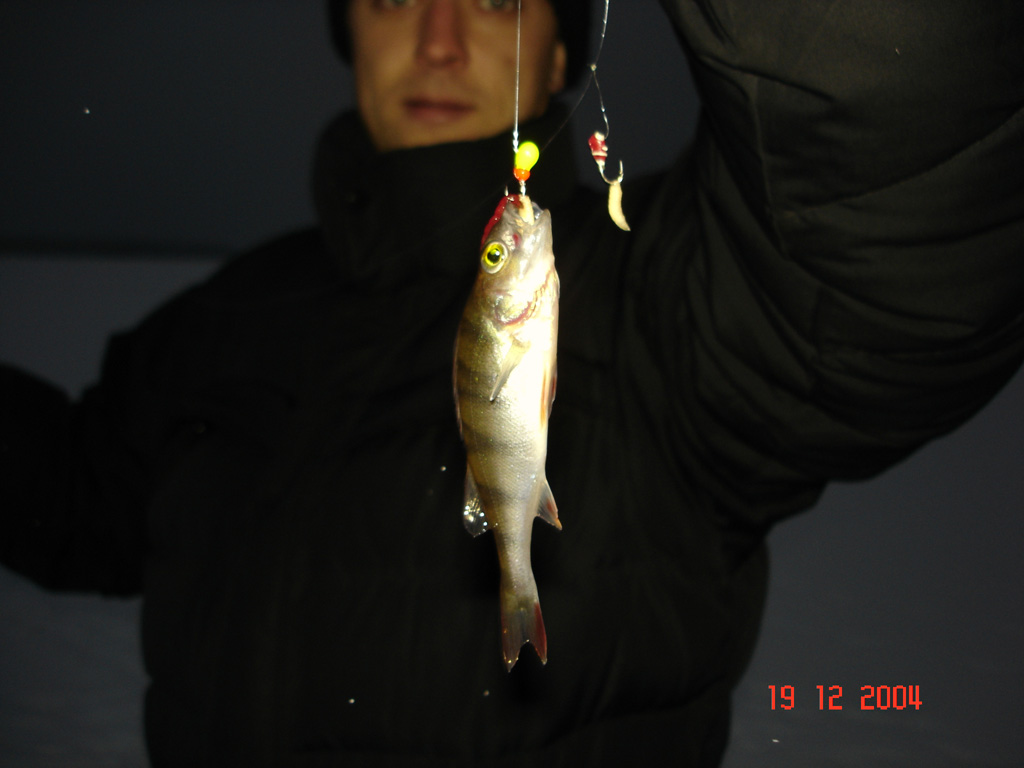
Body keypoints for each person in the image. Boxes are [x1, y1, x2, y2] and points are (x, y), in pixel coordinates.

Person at [2, 0, 1022, 765]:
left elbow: (875, 229)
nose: (439, 40)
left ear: (560, 55)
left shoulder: (668, 293)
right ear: (352, 33)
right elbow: (77, 501)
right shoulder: (221, 318)